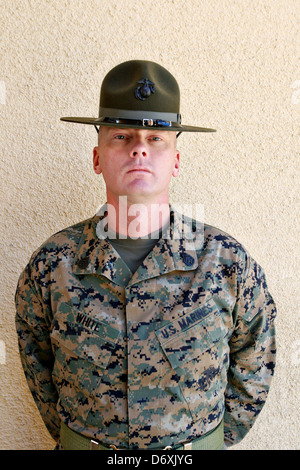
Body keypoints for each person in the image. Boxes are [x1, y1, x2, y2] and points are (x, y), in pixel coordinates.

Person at [15, 60, 276, 450]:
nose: (139, 148)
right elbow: (37, 364)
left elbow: (255, 362)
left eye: (156, 139)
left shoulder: (226, 264)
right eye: (121, 136)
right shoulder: (53, 265)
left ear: (175, 160)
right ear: (97, 157)